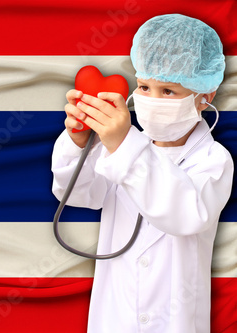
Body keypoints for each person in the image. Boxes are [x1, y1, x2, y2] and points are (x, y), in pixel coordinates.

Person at [51, 14, 234, 332]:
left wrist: (124, 145)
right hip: (114, 317)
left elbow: (185, 215)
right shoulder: (120, 146)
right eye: (144, 86)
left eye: (168, 92)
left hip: (175, 322)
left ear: (205, 97)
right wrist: (80, 143)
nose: (150, 100)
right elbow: (82, 194)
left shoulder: (213, 160)